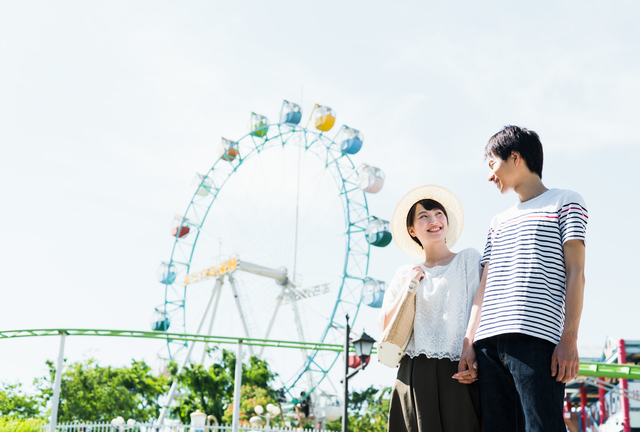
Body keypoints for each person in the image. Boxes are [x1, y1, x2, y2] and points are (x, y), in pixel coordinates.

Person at [453, 126, 588, 432]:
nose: (490, 176)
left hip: (535, 338)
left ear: (514, 157)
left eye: (492, 165)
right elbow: (483, 287)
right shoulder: (497, 222)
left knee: (543, 427)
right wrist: (469, 343)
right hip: (488, 345)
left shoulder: (566, 201)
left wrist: (570, 338)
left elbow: (576, 272)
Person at [378, 185, 484, 432]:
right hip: (413, 372)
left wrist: (478, 359)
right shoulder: (404, 273)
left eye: (438, 213)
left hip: (460, 369)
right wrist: (409, 286)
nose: (433, 220)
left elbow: (482, 309)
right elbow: (384, 327)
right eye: (423, 216)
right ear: (412, 230)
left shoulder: (468, 258)